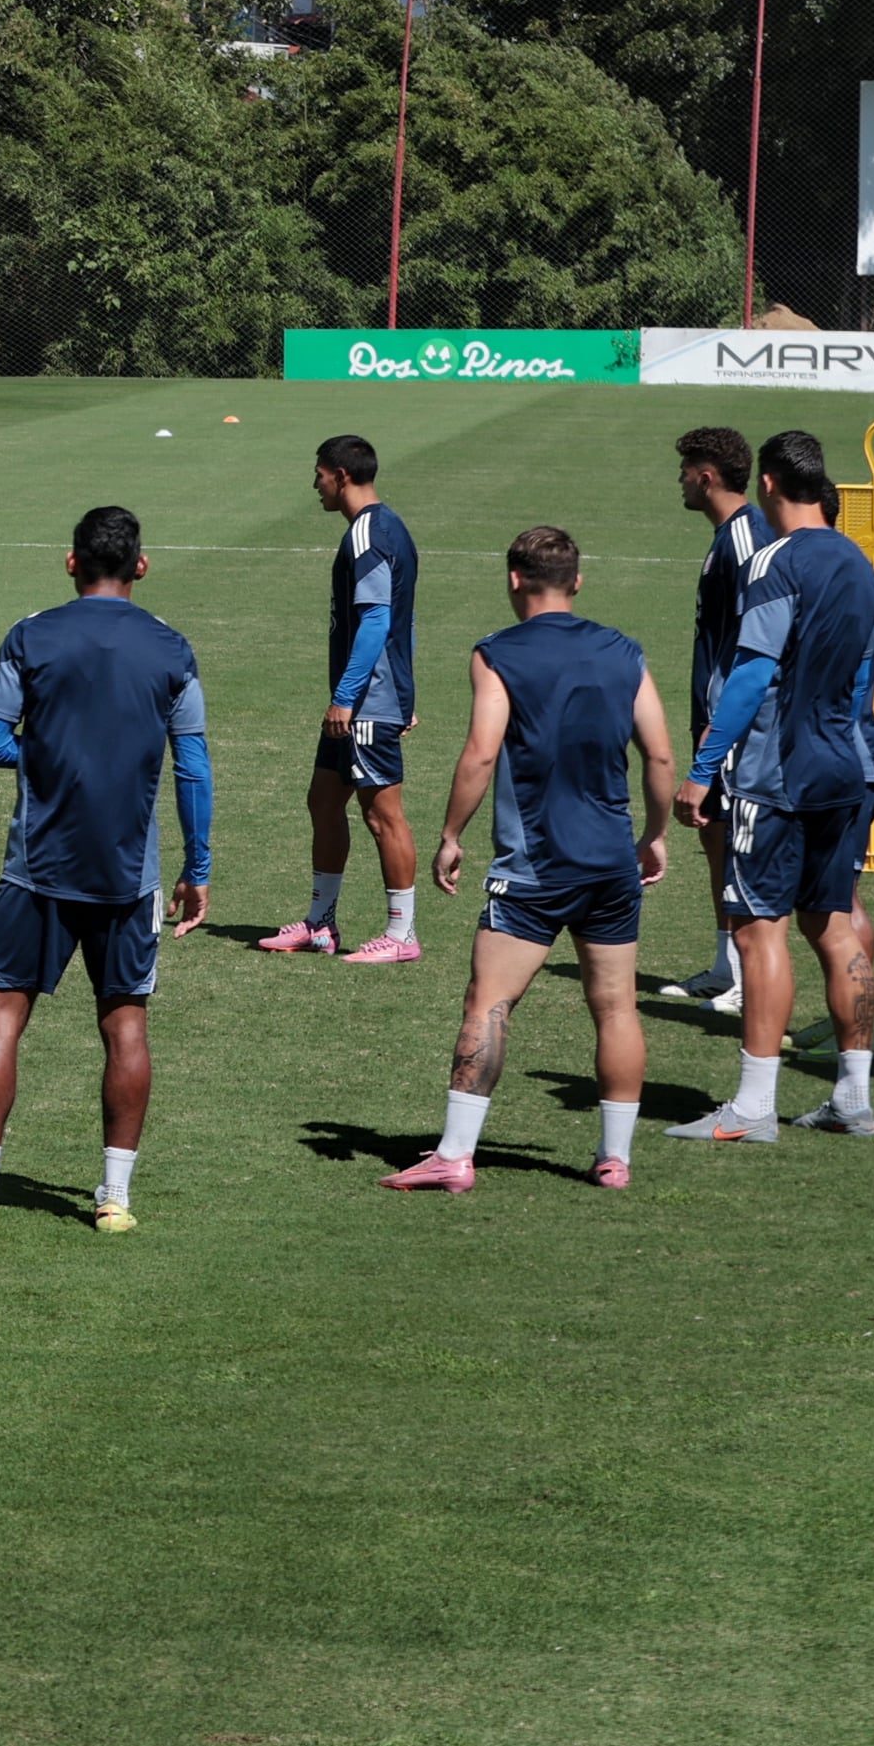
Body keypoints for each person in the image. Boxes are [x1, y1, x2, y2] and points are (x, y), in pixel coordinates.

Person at [0, 504, 209, 1235]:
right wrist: (197, 866)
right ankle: (115, 1200)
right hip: (129, 876)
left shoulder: (32, 636)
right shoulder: (174, 650)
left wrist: (46, 760)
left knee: (2, 1016)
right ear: (140, 566)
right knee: (126, 1027)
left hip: (36, 870)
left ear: (71, 562)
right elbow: (193, 768)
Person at [381, 527, 677, 1194]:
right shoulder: (623, 651)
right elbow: (658, 755)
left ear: (514, 579)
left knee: (488, 1002)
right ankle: (614, 1159)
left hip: (535, 867)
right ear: (577, 580)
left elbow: (483, 751)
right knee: (616, 1007)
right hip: (610, 864)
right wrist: (655, 834)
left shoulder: (498, 654)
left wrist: (452, 834)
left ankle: (455, 1155)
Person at [670, 429, 874, 1142]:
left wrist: (703, 772)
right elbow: (861, 681)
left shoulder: (773, 561)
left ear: (767, 484)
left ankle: (754, 1107)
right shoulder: (861, 565)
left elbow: (754, 671)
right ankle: (853, 1095)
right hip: (843, 767)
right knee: (835, 928)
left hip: (776, 773)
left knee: (761, 932)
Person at [261, 433, 425, 962]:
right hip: (372, 696)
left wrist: (349, 696)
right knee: (324, 800)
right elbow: (406, 619)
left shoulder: (368, 534)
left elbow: (379, 620)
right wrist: (406, 688)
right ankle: (321, 924)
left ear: (341, 475)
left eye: (319, 474)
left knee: (383, 815)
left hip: (364, 702)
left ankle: (401, 936)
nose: (315, 484)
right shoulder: (390, 527)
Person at [656, 426, 762, 1014]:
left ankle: (750, 978)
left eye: (685, 470)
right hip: (716, 719)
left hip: (735, 726)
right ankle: (727, 965)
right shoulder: (727, 535)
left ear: (708, 475)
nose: (680, 481)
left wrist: (721, 724)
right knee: (717, 837)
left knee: (740, 844)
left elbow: (756, 640)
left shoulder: (744, 538)